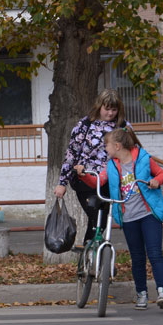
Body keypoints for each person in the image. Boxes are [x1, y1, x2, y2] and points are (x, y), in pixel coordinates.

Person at [79, 127, 163, 310]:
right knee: (137, 257)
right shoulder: (112, 165)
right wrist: (83, 176)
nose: (105, 148)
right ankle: (141, 295)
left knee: (154, 254)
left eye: (107, 145)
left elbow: (162, 174)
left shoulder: (144, 159)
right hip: (128, 217)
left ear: (117, 146)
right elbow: (99, 181)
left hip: (148, 214)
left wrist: (156, 181)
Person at [54, 89, 128, 248]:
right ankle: (91, 252)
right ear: (99, 106)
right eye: (106, 109)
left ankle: (97, 257)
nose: (110, 113)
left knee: (103, 219)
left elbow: (132, 152)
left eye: (114, 110)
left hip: (110, 179)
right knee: (95, 214)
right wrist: (62, 182)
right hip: (85, 178)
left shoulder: (123, 126)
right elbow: (71, 153)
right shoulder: (85, 124)